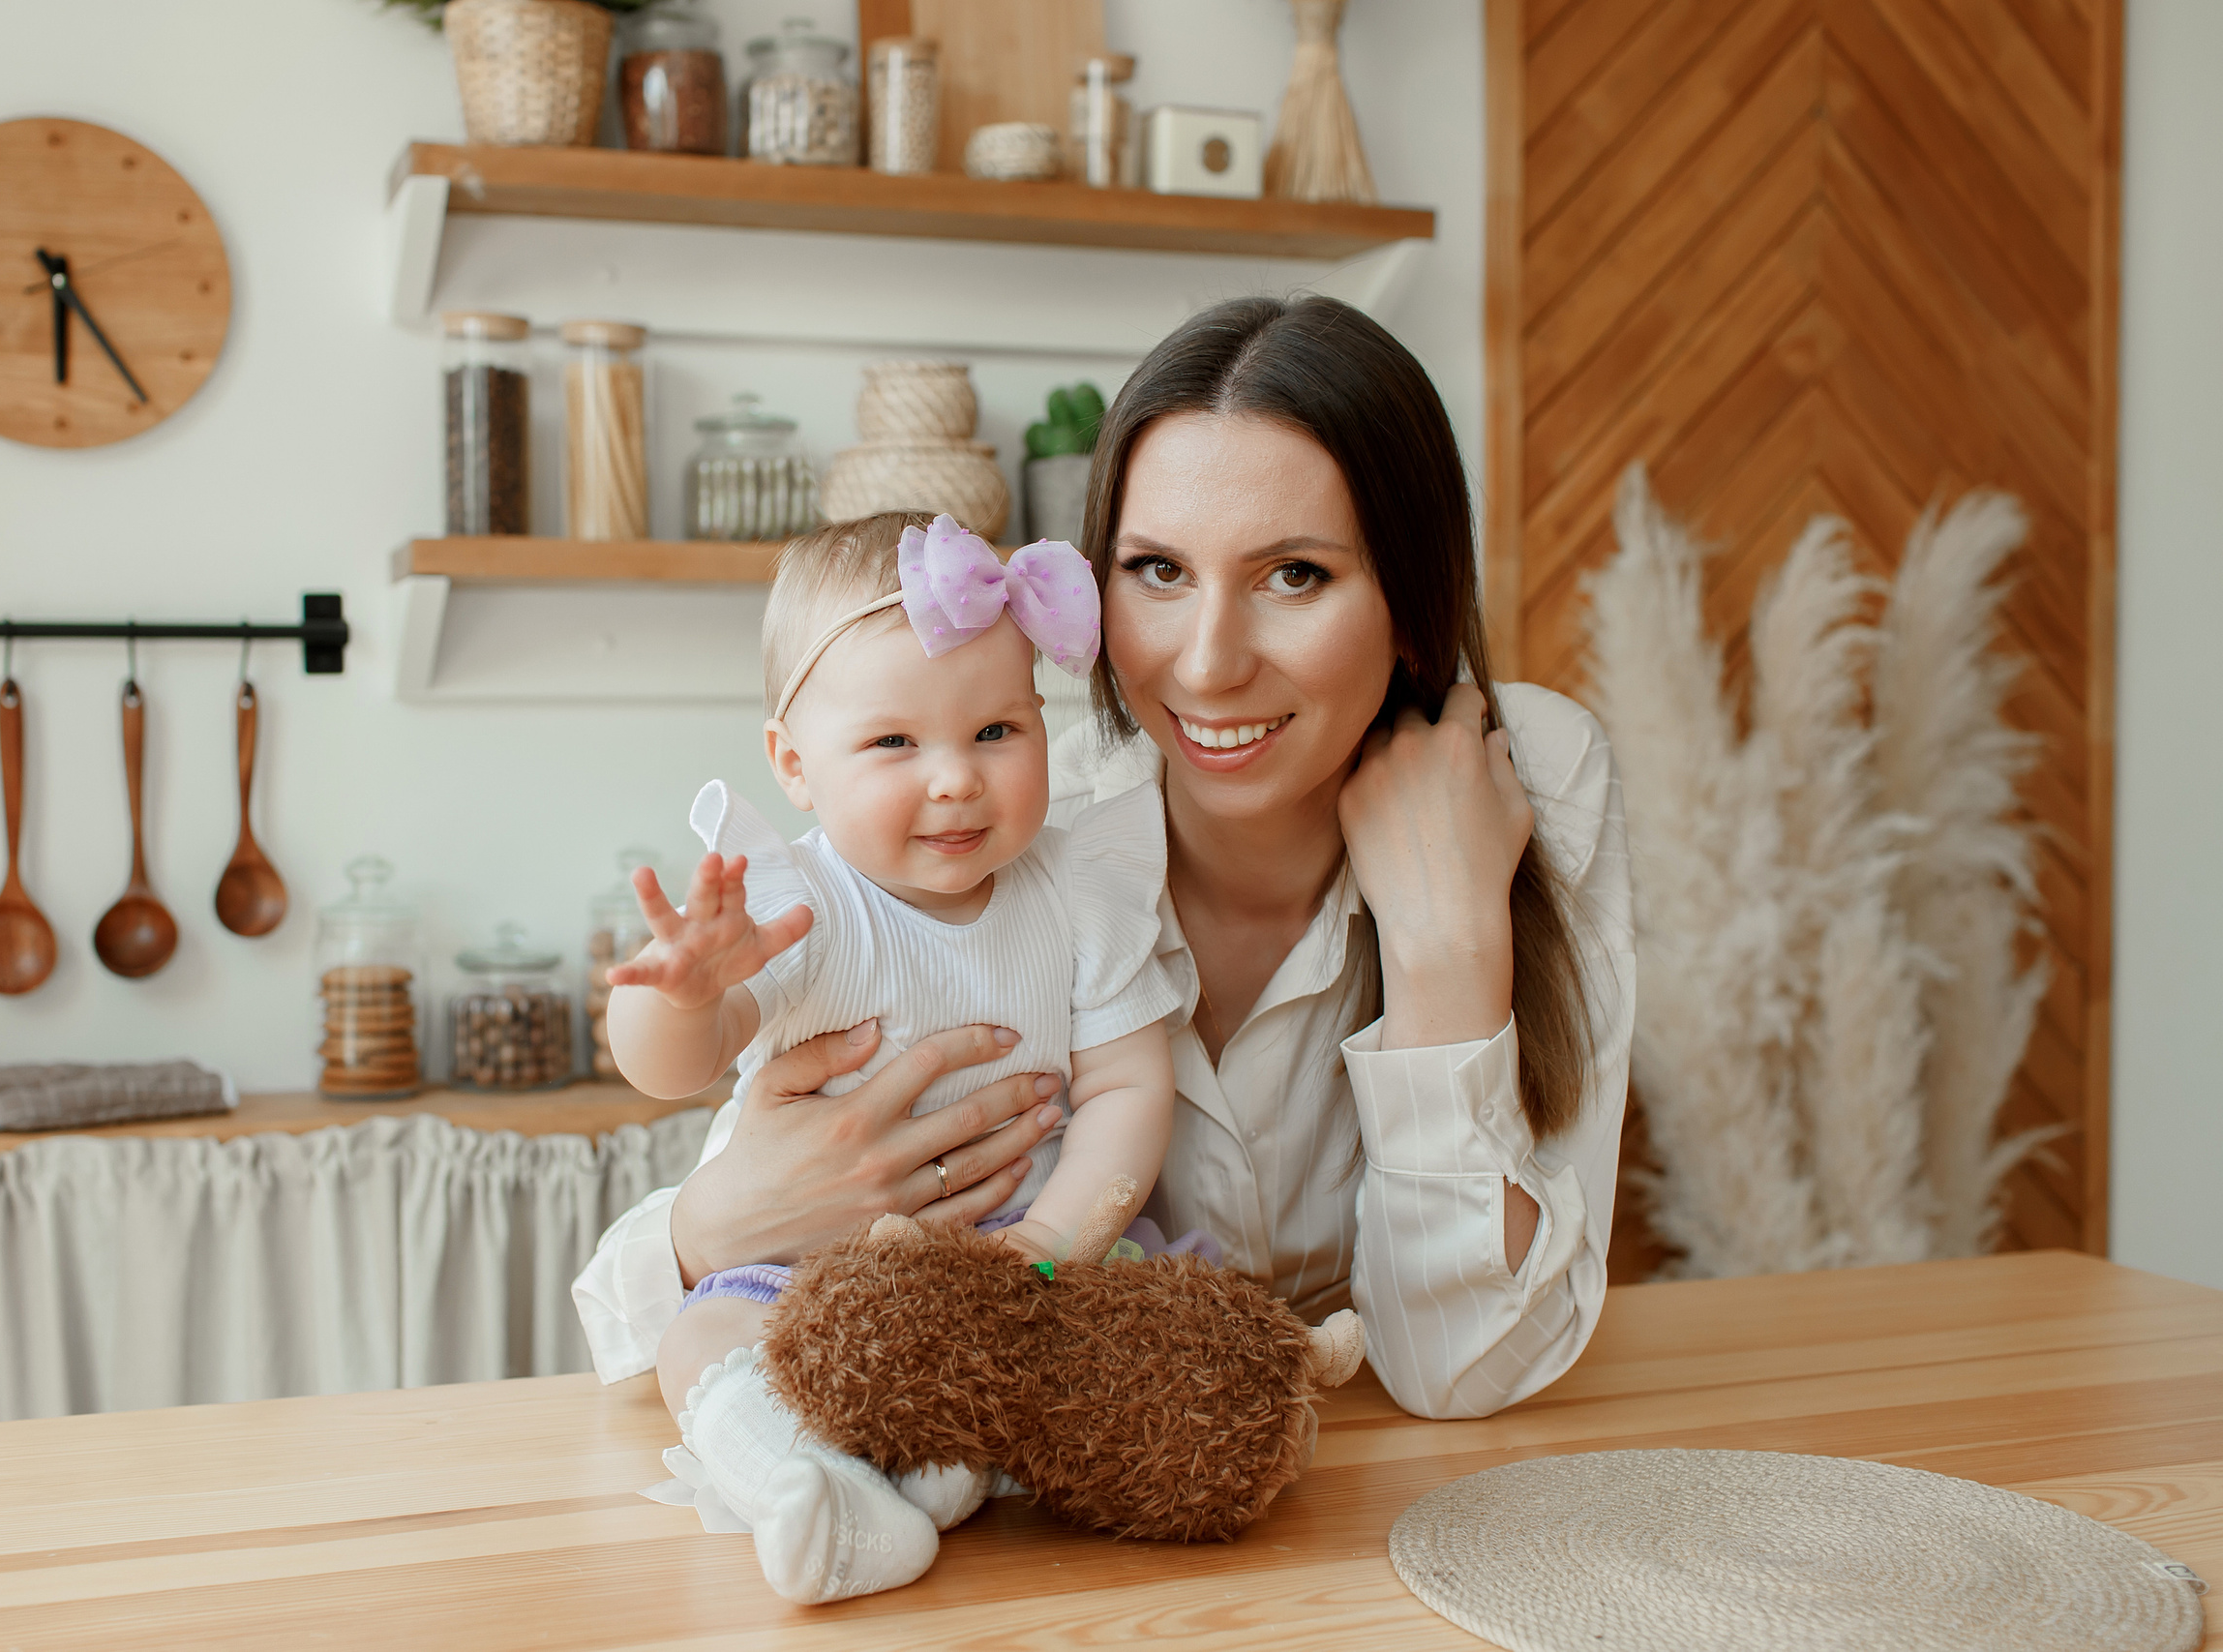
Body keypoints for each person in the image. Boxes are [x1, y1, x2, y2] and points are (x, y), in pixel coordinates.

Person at [576, 292, 1634, 1579]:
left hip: (1355, 1528)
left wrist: (1450, 945)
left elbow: (1460, 1369)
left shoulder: (1527, 780)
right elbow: (650, 1276)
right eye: (1157, 572)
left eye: (1295, 573)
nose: (1207, 661)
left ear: (1412, 602)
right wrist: (714, 1224)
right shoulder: (1022, 818)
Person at [593, 509, 1185, 1604]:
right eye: (894, 744)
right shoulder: (792, 901)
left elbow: (1130, 1085)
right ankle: (799, 1485)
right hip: (809, 1267)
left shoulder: (1078, 892)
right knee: (706, 1332)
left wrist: (1053, 1243)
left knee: (1129, 1327)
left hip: (1023, 1261)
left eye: (998, 732)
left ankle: (939, 1469)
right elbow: (677, 1065)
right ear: (794, 764)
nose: (955, 779)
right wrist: (680, 995)